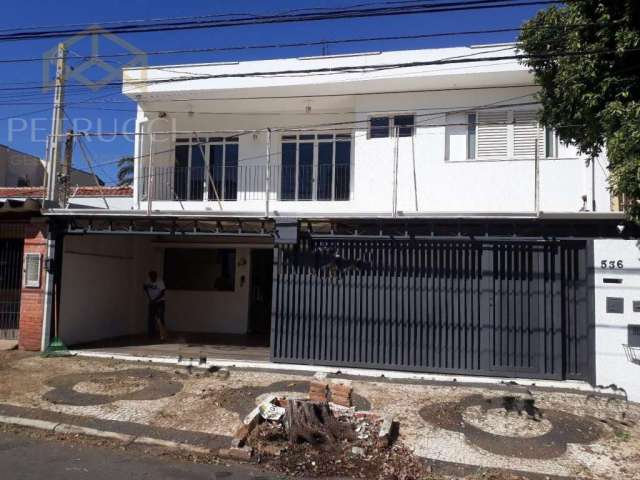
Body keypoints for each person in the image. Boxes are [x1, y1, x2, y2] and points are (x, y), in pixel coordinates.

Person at [143, 270, 166, 340]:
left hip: (160, 302)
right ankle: (151, 335)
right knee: (151, 319)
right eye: (151, 277)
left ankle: (162, 335)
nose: (152, 278)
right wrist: (149, 297)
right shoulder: (148, 281)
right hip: (152, 303)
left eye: (154, 277)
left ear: (156, 276)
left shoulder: (160, 282)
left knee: (160, 319)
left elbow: (162, 293)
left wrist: (154, 300)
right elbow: (145, 287)